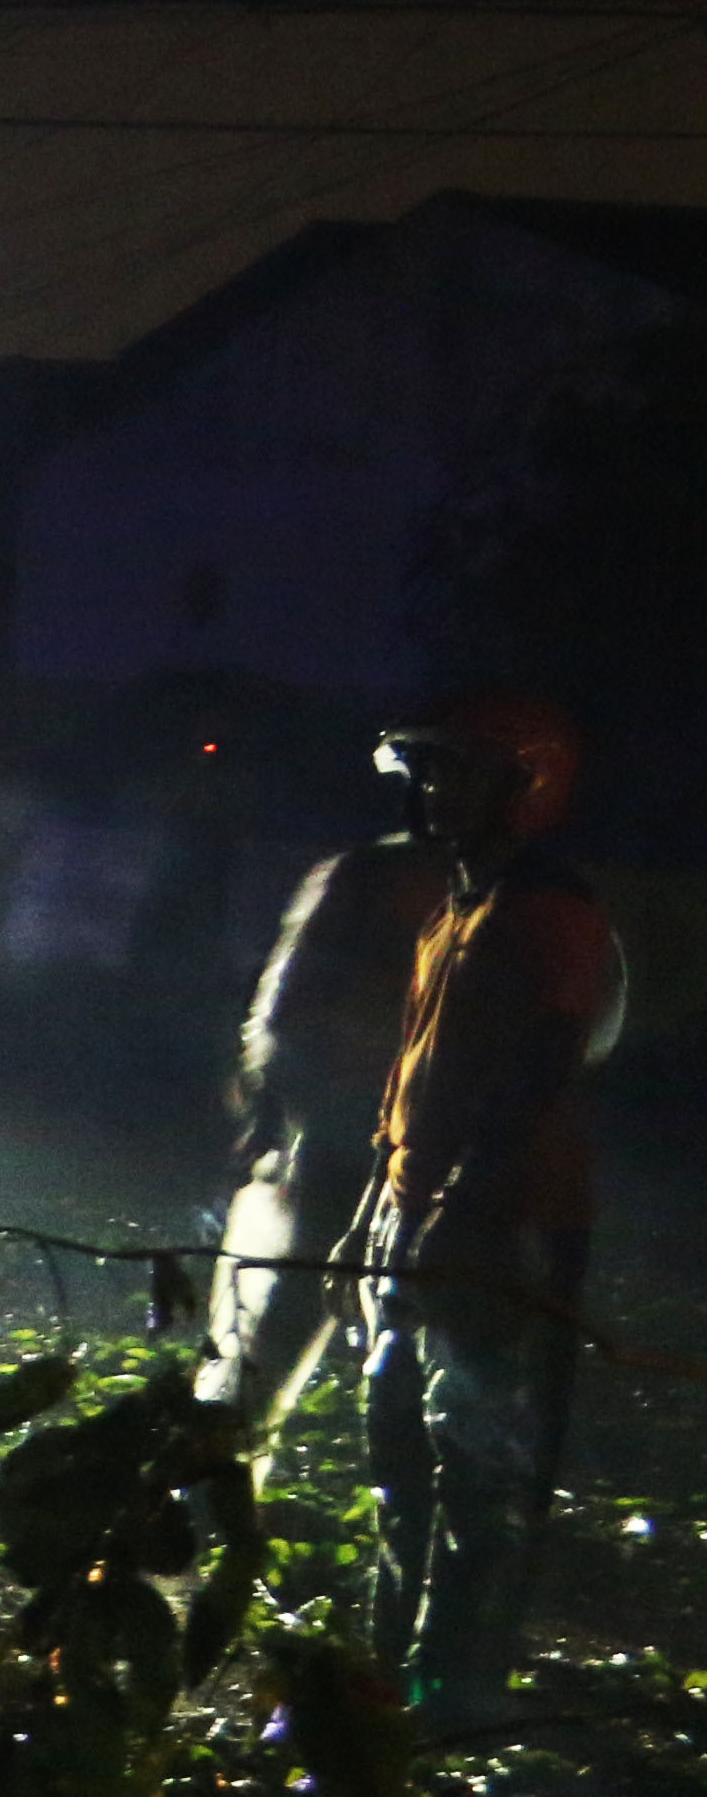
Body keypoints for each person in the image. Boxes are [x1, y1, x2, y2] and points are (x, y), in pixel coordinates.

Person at [362, 691, 619, 1718]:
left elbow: (543, 1059)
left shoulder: (553, 907)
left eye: (455, 772)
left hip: (501, 1226)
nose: (431, 793)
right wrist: (381, 1201)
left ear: (525, 785)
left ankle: (453, 1687)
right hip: (416, 1213)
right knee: (395, 1443)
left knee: (473, 1464)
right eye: (424, 772)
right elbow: (420, 1068)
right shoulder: (453, 903)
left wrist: (459, 1203)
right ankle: (390, 1669)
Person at [207, 815, 445, 1422]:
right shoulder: (383, 875)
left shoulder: (396, 876)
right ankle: (227, 1440)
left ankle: (228, 1436)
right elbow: (292, 999)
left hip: (412, 1123)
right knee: (301, 1288)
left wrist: (266, 1099)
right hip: (356, 1117)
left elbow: (287, 999)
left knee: (313, 1294)